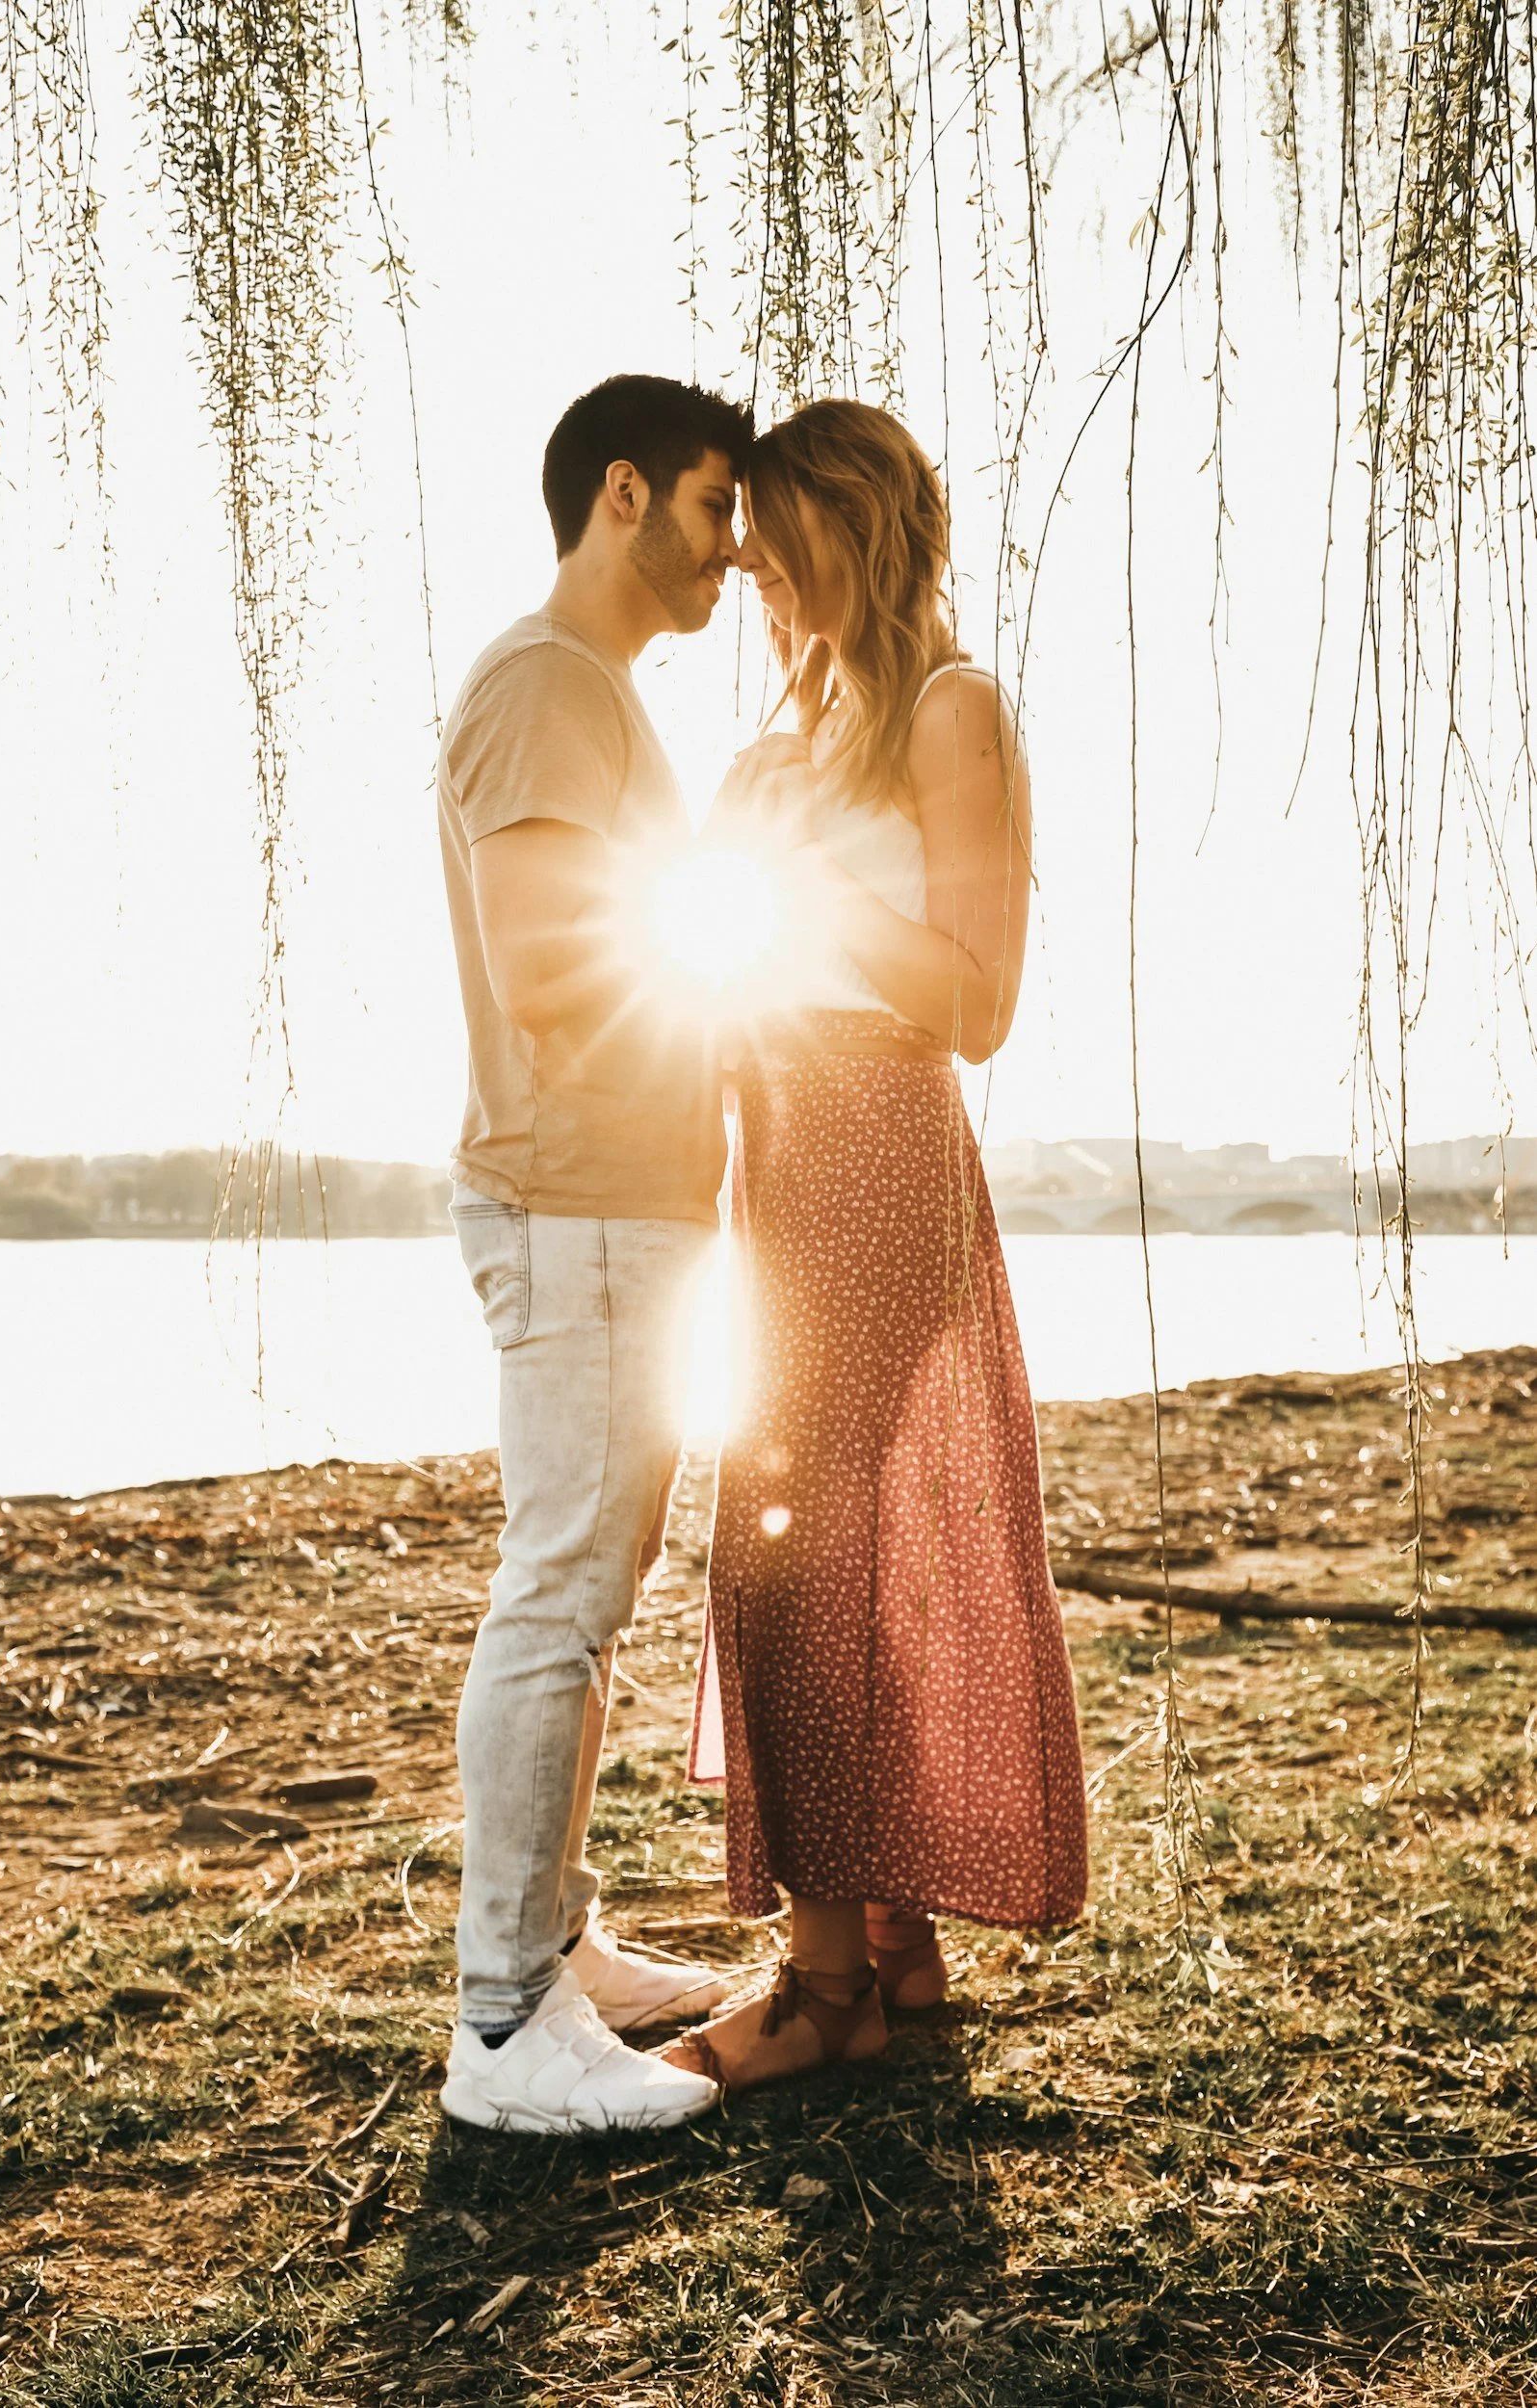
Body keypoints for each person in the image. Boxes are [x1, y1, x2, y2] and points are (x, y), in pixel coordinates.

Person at [665, 397, 1088, 2094]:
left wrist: (803, 891)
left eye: (771, 537)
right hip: (772, 1150)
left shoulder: (948, 708)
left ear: (852, 526)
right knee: (813, 1548)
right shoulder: (789, 731)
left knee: (790, 1557)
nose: (750, 569)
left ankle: (821, 1981)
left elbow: (975, 1005)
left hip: (879, 1147)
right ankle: (886, 1942)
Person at [435, 373, 754, 2133]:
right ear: (621, 494)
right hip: (575, 1200)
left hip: (622, 1200)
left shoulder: (592, 695)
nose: (733, 550)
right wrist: (757, 983)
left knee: (590, 1582)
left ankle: (553, 1947)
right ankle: (501, 2032)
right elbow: (556, 968)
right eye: (715, 507)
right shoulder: (546, 684)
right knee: (559, 1585)